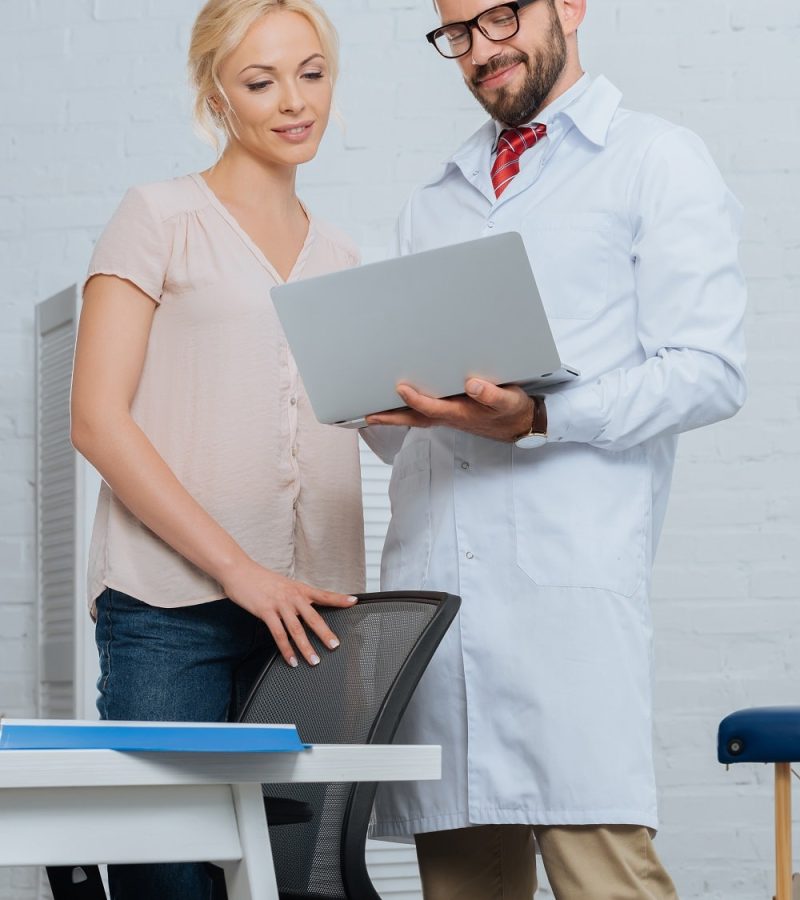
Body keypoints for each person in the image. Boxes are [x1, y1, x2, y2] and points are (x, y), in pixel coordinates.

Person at [362, 0, 746, 897]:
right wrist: (392, 413)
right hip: (443, 618)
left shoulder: (655, 159)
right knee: (461, 885)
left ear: (568, 6)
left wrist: (540, 419)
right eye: (457, 33)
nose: (482, 50)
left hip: (568, 607)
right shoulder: (435, 202)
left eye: (500, 17)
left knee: (605, 872)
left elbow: (710, 372)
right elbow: (427, 449)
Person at [70, 1, 365, 897]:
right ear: (216, 94)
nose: (293, 101)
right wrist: (238, 570)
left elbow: (357, 423)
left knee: (295, 878)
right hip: (170, 616)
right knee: (170, 881)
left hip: (312, 625)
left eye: (311, 73)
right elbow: (96, 419)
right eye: (260, 80)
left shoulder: (344, 258)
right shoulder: (158, 217)